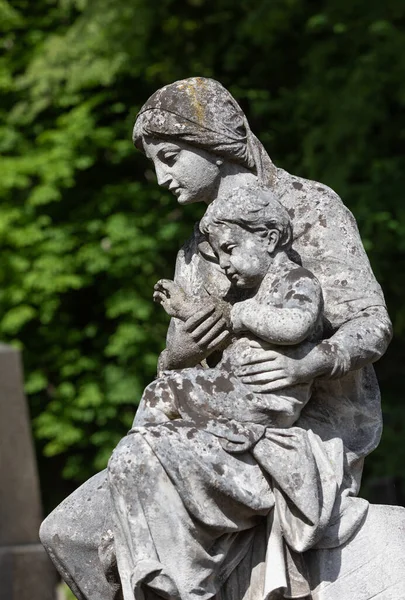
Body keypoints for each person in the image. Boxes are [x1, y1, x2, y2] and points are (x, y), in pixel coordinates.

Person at [40, 77, 392, 600]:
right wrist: (182, 349)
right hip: (212, 420)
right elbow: (173, 365)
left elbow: (371, 322)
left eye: (170, 157)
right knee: (67, 532)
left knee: (146, 459)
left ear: (212, 144)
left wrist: (311, 363)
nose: (161, 178)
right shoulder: (194, 252)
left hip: (303, 427)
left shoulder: (307, 208)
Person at [139, 184, 323, 435]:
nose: (223, 264)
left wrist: (240, 313)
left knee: (161, 393)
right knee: (165, 398)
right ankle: (145, 447)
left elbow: (295, 325)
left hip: (264, 396)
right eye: (218, 254)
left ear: (269, 239)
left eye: (229, 249)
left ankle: (143, 448)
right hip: (240, 388)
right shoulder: (253, 292)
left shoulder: (297, 280)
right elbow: (224, 328)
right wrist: (184, 309)